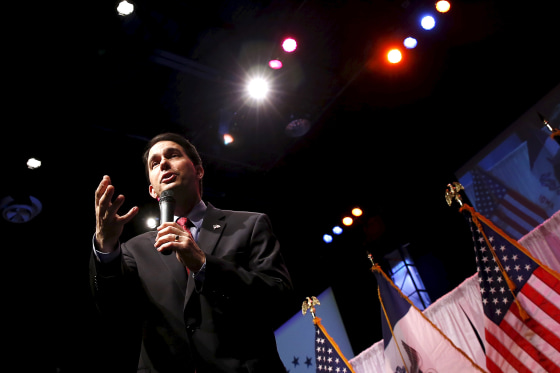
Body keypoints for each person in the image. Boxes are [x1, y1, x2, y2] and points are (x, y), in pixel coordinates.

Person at [90, 132, 293, 373]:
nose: (163, 163)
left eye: (173, 155)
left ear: (199, 171)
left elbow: (279, 298)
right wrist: (105, 244)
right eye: (154, 163)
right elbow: (113, 311)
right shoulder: (133, 250)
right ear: (153, 191)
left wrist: (204, 265)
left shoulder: (249, 225)